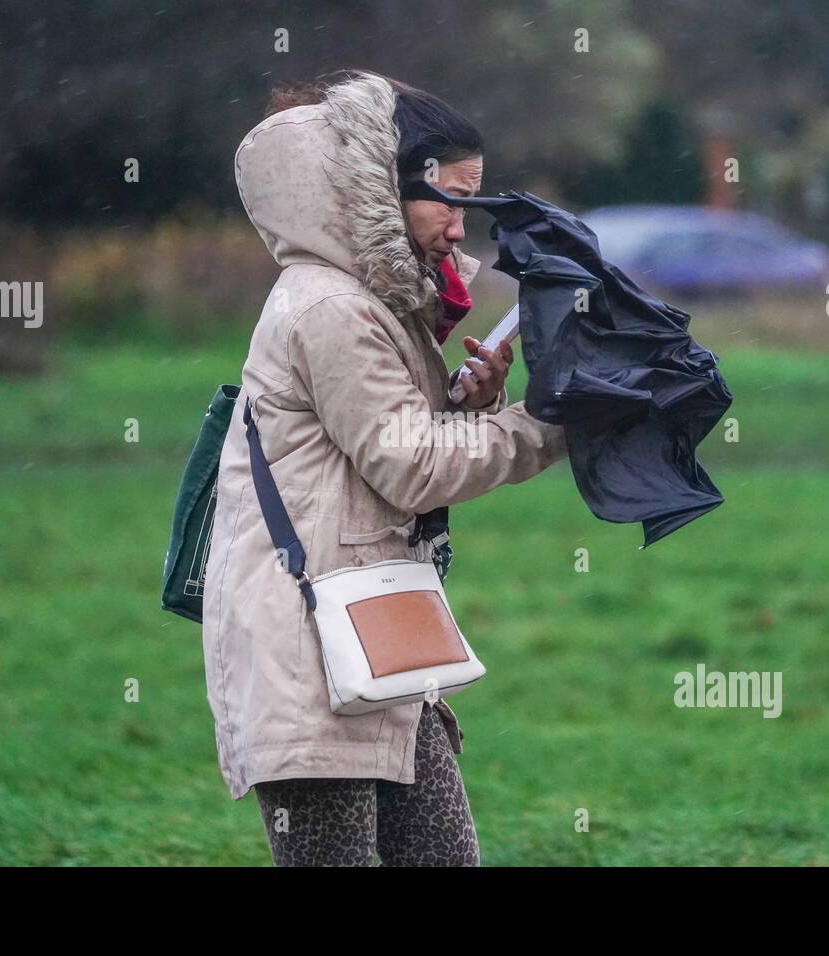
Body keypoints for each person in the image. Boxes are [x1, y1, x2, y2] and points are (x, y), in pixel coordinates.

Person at [200, 68, 568, 866]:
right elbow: (411, 471)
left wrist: (468, 409)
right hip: (311, 653)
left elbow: (375, 460)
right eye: (453, 202)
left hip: (377, 639)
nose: (461, 230)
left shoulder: (369, 305)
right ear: (383, 186)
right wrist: (545, 426)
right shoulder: (331, 308)